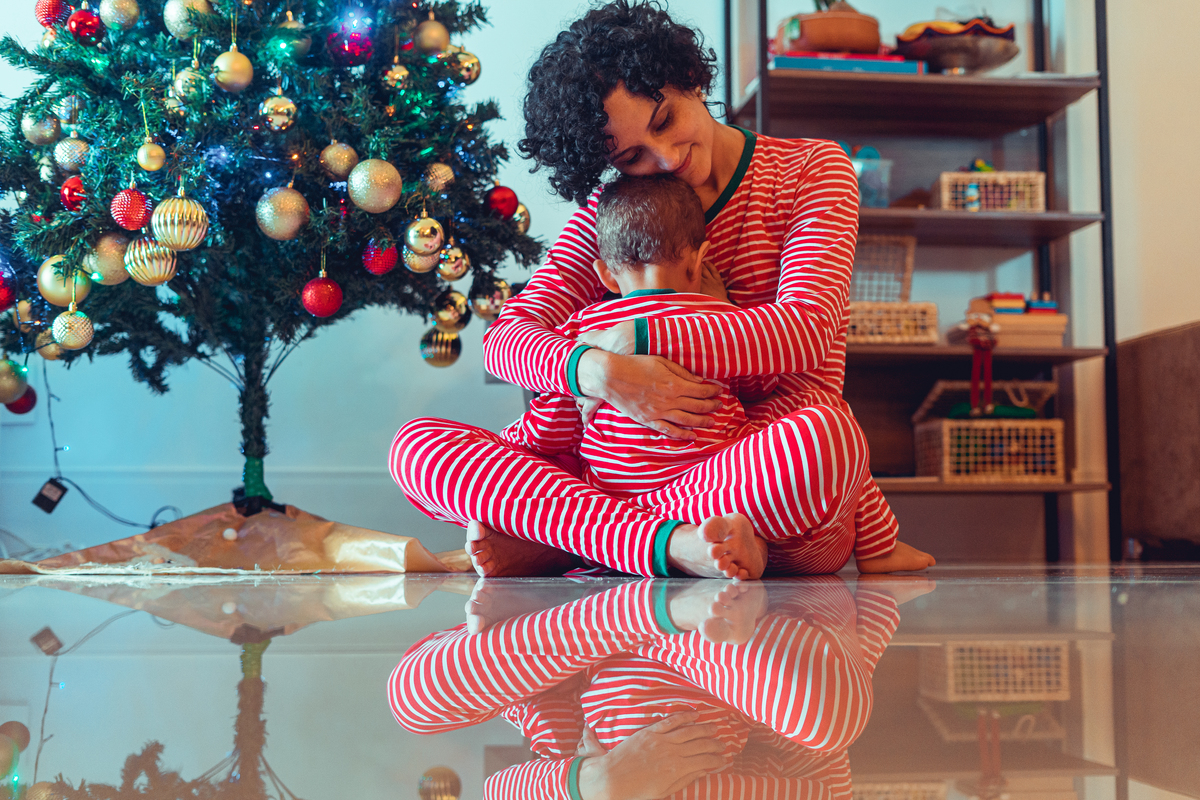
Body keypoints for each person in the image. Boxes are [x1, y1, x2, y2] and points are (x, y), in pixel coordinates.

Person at [391, 0, 935, 579]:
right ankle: (676, 548)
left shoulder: (809, 171)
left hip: (758, 482)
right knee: (417, 449)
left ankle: (584, 539)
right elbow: (506, 341)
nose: (669, 158)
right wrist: (600, 371)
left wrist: (638, 335)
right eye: (631, 157)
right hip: (620, 473)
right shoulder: (609, 216)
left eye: (665, 121)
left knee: (826, 441)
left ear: (690, 80)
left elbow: (804, 332)